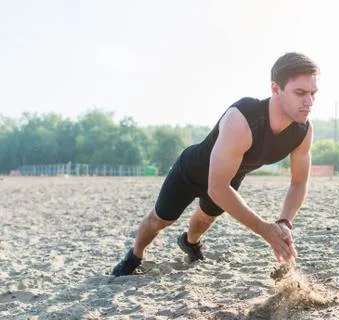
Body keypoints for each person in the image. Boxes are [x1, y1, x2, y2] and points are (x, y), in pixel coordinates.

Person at [112, 52, 319, 276]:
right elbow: (216, 188)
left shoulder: (303, 131)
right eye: (300, 93)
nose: (309, 101)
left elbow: (299, 182)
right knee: (160, 220)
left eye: (313, 93)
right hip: (191, 171)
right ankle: (135, 255)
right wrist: (265, 230)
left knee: (206, 218)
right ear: (275, 89)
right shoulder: (243, 119)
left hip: (229, 179)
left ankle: (190, 243)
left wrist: (284, 222)